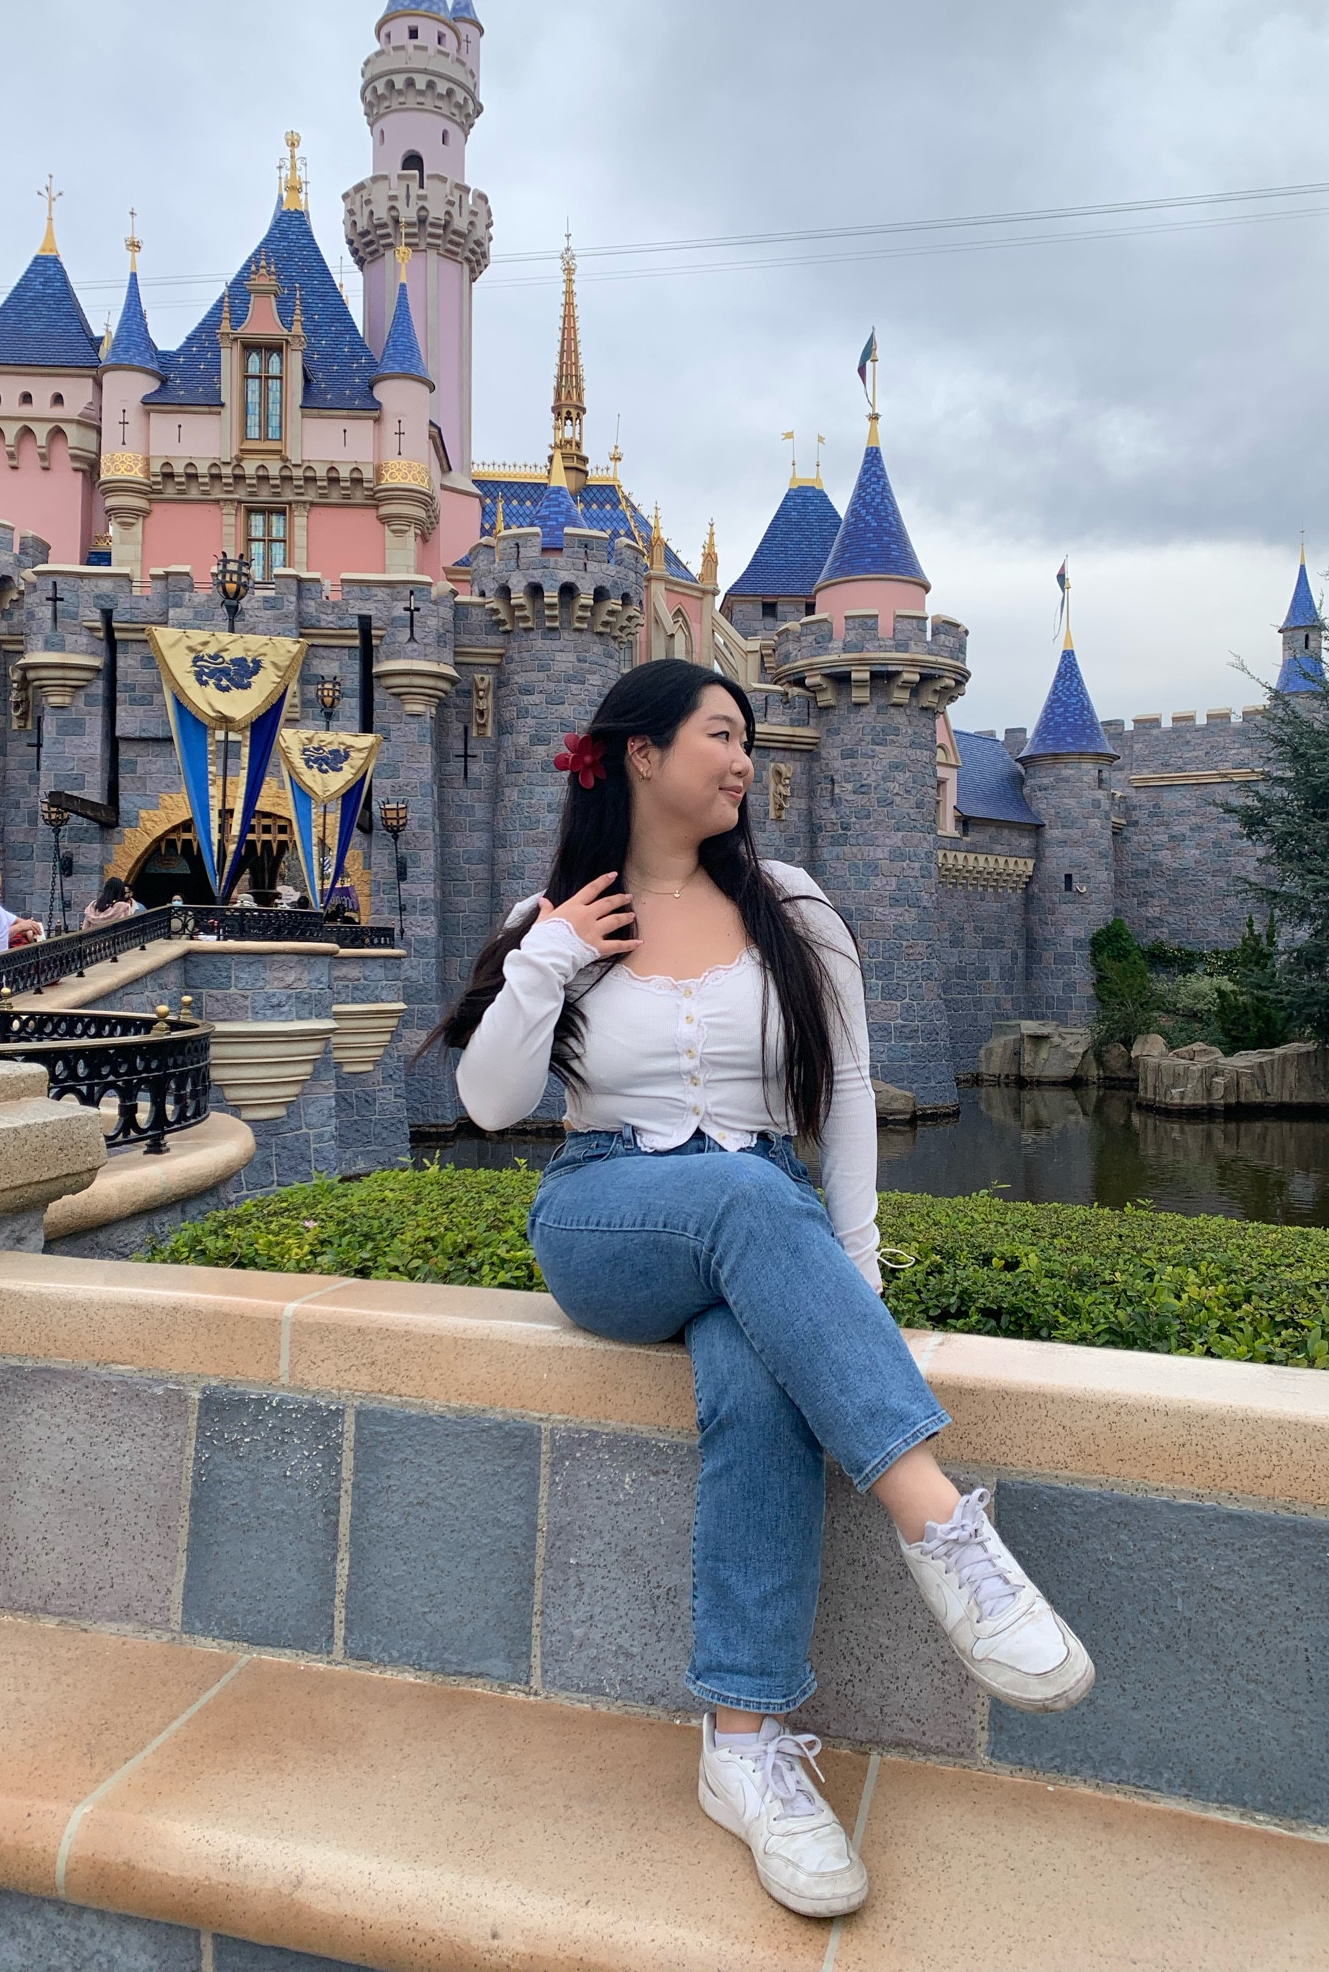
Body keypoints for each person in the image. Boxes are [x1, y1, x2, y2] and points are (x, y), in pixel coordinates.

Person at [434, 661, 1093, 1922]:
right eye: (721, 734)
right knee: (744, 1195)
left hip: (763, 1217)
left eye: (746, 737)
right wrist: (547, 957)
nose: (745, 759)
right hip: (605, 1212)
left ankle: (743, 1744)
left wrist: (853, 1283)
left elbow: (843, 1097)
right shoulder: (558, 917)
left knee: (755, 1377)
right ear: (639, 753)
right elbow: (490, 1104)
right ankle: (941, 1528)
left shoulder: (793, 907)